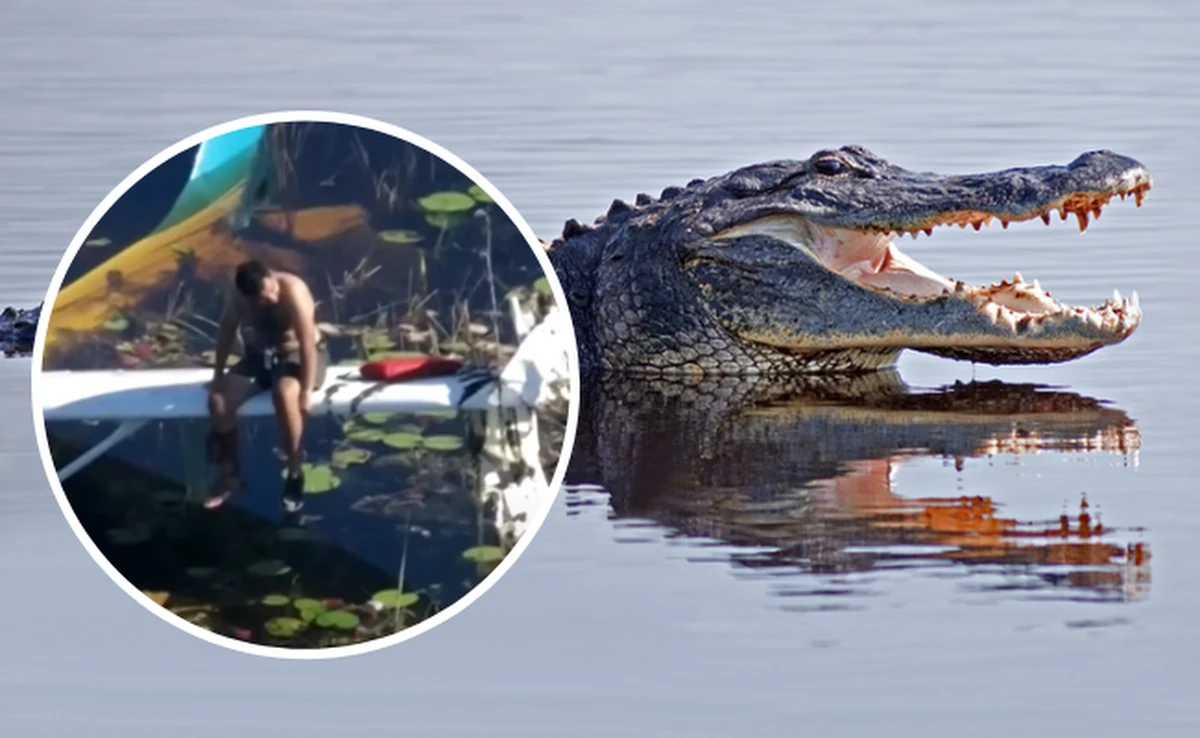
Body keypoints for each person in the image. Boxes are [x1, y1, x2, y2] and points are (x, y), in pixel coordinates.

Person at [204, 259, 328, 513]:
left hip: (300, 355)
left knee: (284, 394)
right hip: (261, 356)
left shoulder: (293, 290)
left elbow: (306, 343)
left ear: (273, 277)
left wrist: (305, 391)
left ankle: (294, 471)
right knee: (219, 402)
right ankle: (231, 475)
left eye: (272, 291)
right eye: (263, 298)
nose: (271, 298)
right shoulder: (239, 297)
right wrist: (218, 373)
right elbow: (226, 330)